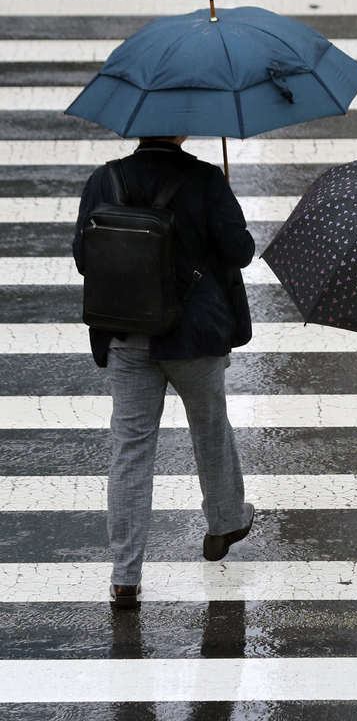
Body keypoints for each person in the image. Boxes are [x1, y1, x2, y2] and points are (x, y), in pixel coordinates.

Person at [73, 136, 256, 607]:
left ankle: (125, 575)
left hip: (127, 333)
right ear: (182, 131)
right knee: (210, 428)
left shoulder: (104, 179)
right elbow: (240, 250)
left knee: (131, 449)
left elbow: (82, 257)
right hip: (194, 337)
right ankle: (223, 525)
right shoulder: (205, 179)